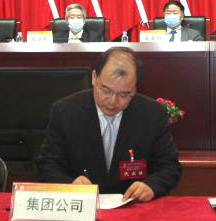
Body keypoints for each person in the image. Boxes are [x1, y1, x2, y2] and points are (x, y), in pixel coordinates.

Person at [37, 47, 181, 201]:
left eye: (124, 94)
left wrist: (151, 186)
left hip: (133, 206)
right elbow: (47, 164)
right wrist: (70, 184)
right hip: (82, 205)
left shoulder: (153, 114)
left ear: (134, 89)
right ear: (94, 78)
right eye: (105, 90)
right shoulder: (65, 112)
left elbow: (170, 166)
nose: (113, 101)